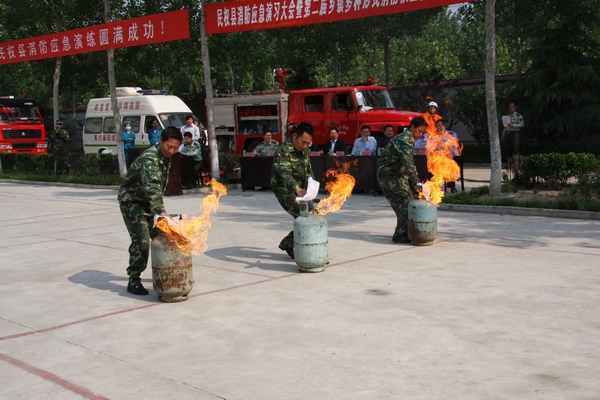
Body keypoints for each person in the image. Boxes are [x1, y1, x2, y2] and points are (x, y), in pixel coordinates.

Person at [118, 126, 183, 295]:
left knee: (167, 236)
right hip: (132, 202)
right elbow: (153, 187)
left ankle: (167, 272)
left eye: (176, 148)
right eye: (169, 146)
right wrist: (161, 212)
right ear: (160, 140)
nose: (171, 150)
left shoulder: (166, 157)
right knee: (142, 241)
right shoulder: (150, 158)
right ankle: (133, 280)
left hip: (148, 203)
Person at [377, 116, 427, 244]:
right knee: (405, 202)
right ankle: (400, 235)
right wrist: (416, 181)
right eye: (419, 131)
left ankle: (407, 231)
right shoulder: (404, 139)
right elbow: (408, 162)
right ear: (412, 127)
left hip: (399, 175)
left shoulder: (409, 139)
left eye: (422, 132)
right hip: (389, 175)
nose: (420, 135)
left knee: (411, 200)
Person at [270, 122, 315, 259]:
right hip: (284, 188)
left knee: (312, 217)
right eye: (303, 142)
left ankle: (293, 244)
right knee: (304, 216)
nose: (305, 146)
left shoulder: (305, 150)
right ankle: (291, 245)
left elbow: (308, 169)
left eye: (308, 143)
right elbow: (284, 173)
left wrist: (312, 185)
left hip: (301, 189)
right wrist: (297, 189)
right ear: (295, 135)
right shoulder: (283, 151)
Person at [435, 118, 460, 194]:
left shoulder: (452, 134)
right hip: (441, 158)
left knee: (451, 164)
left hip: (452, 157)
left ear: (444, 125)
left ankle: (452, 187)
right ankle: (435, 187)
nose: (439, 127)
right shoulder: (435, 137)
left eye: (440, 125)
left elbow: (452, 144)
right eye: (437, 126)